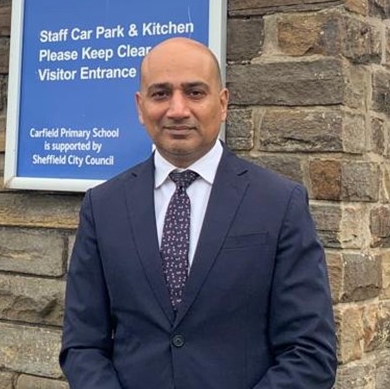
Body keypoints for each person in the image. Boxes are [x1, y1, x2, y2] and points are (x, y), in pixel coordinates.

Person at [60, 37, 336, 388]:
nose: (177, 109)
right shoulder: (103, 206)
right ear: (140, 106)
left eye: (194, 92)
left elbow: (310, 352)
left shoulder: (279, 203)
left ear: (222, 104)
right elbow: (82, 344)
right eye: (161, 94)